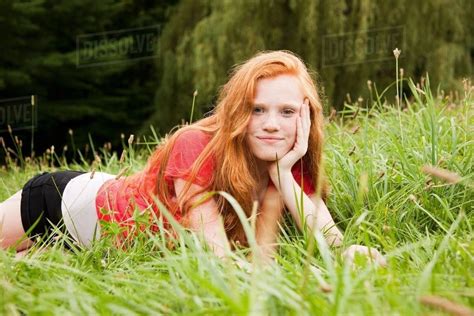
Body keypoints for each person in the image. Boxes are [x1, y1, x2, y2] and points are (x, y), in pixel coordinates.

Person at [0, 50, 385, 265]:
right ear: (237, 110)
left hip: (98, 241)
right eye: (256, 110)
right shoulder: (195, 145)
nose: (271, 125)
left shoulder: (288, 161)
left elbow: (330, 241)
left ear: (306, 116)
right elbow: (216, 257)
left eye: (286, 112)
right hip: (62, 205)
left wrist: (286, 171)